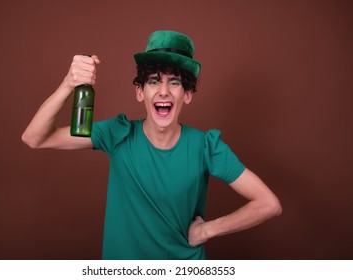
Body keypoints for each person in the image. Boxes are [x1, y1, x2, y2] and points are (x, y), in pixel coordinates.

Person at [22, 30, 282, 260]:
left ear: (187, 95)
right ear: (140, 92)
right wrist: (69, 83)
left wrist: (207, 229)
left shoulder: (205, 146)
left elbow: (268, 204)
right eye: (154, 81)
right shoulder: (117, 134)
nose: (164, 91)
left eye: (175, 82)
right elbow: (35, 137)